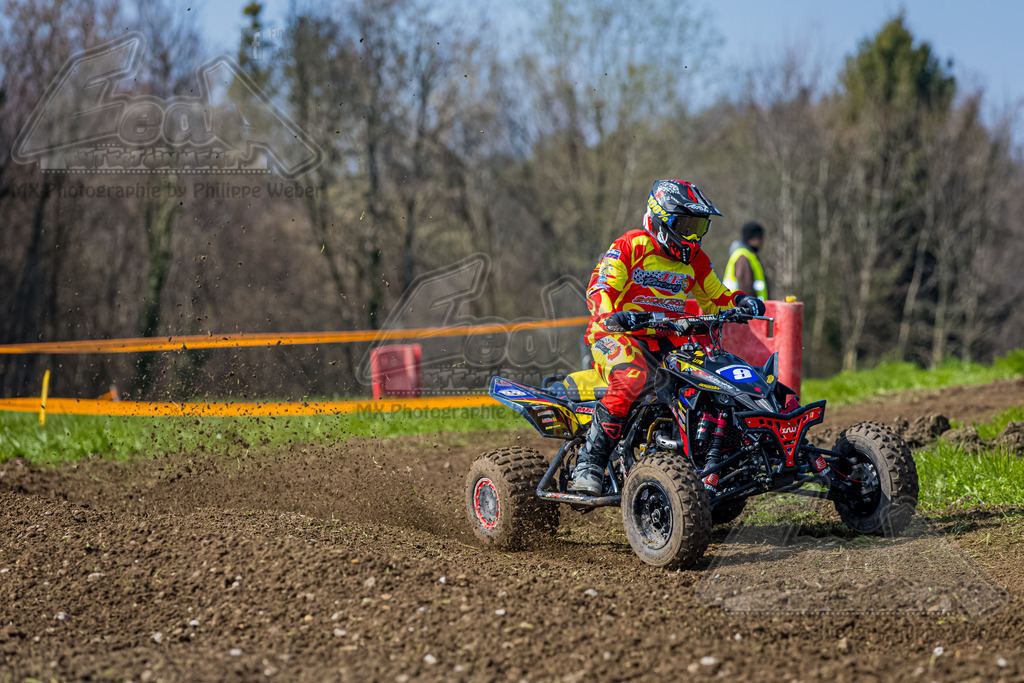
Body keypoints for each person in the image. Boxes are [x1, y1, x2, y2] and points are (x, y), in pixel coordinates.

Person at [569, 179, 765, 495]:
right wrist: (612, 316)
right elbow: (600, 288)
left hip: (668, 339)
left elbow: (715, 296)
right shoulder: (631, 245)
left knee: (710, 379)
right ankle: (589, 463)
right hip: (617, 335)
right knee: (632, 378)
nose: (691, 236)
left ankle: (708, 460)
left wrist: (740, 302)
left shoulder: (696, 259)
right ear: (661, 220)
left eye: (698, 227)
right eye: (685, 225)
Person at [722, 221, 769, 300]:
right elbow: (746, 289)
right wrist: (751, 306)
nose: (763, 241)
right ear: (751, 239)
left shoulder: (748, 256)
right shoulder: (743, 258)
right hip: (743, 309)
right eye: (760, 238)